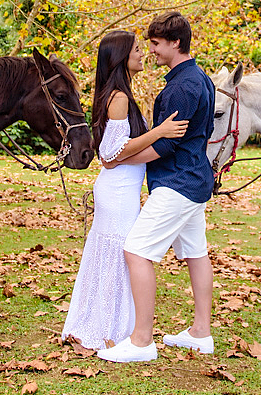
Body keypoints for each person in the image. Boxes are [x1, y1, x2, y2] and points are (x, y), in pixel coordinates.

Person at [96, 12, 216, 363]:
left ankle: (141, 340)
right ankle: (200, 333)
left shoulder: (181, 86)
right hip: (195, 180)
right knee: (196, 252)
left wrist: (118, 158)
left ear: (174, 43)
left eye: (155, 44)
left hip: (177, 183)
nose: (151, 51)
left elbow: (166, 145)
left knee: (136, 251)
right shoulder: (200, 79)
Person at [61, 30, 188, 350]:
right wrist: (160, 132)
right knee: (119, 257)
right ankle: (108, 329)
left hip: (124, 190)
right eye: (135, 49)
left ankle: (113, 325)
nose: (143, 53)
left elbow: (119, 155)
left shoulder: (121, 94)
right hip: (117, 194)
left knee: (116, 257)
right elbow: (111, 154)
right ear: (120, 58)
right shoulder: (118, 98)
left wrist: (159, 146)